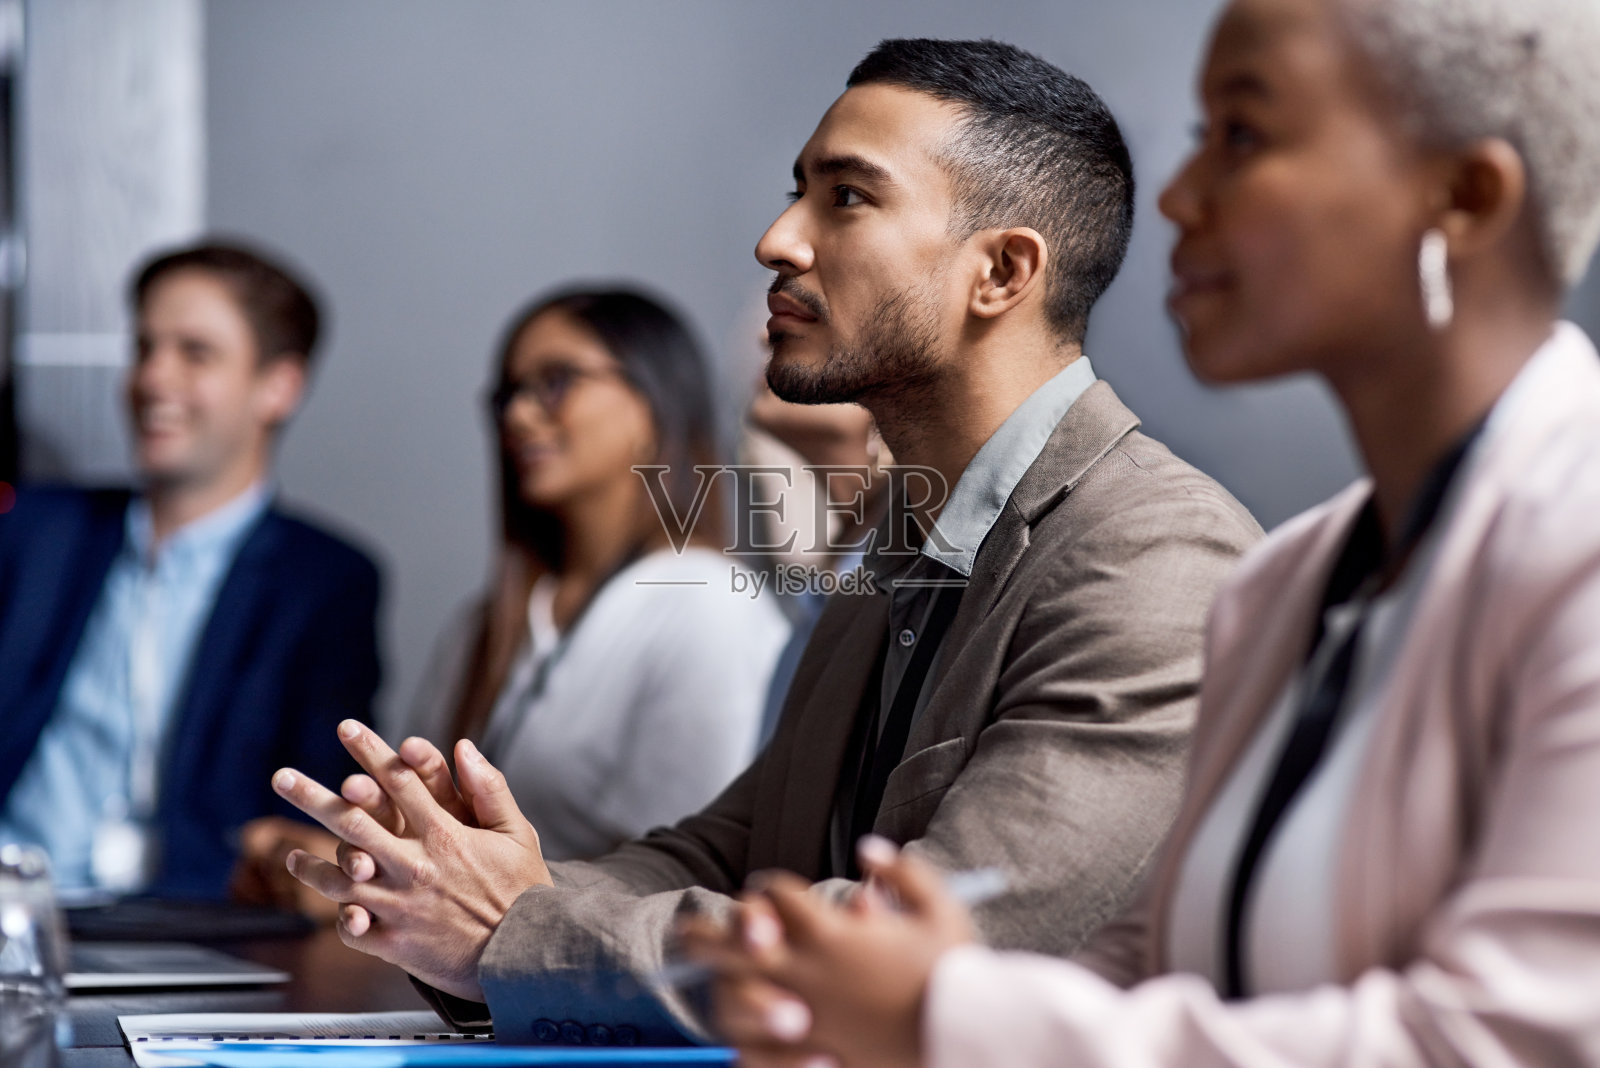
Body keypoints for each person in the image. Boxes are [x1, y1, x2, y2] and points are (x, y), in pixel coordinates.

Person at [272, 38, 1260, 1045]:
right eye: (799, 192)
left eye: (847, 198)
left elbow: (944, 943)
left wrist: (512, 931)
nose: (777, 240)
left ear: (1000, 272)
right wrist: (445, 887)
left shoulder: (1153, 556)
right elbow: (733, 853)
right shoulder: (903, 543)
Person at [684, 0, 1600, 1064]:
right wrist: (898, 995)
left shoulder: (1572, 547)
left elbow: (1509, 1042)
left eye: (1242, 134)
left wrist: (940, 1012)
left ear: (1465, 197)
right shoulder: (1285, 585)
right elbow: (1150, 970)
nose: (1176, 194)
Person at [236, 288, 790, 914]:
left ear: (652, 403)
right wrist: (349, 862)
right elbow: (432, 842)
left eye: (556, 382)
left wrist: (409, 893)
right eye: (508, 395)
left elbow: (688, 887)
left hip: (594, 965)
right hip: (476, 968)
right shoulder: (486, 627)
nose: (520, 416)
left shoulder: (707, 607)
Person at [0, 240, 381, 901]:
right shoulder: (34, 531)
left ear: (278, 386)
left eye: (195, 353)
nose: (153, 378)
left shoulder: (324, 584)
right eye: (144, 347)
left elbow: (310, 815)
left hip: (194, 923)